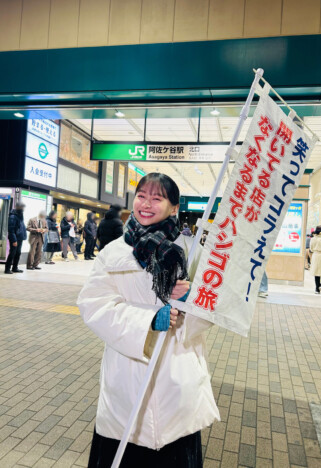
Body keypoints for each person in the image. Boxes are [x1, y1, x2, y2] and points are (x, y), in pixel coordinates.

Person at [78, 173, 219, 468]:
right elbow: (94, 306)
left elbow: (212, 312)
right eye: (142, 196)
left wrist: (191, 298)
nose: (146, 204)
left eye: (157, 198)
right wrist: (148, 319)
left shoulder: (192, 253)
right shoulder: (113, 253)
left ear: (174, 207)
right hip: (128, 377)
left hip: (177, 378)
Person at [4, 202, 27, 274]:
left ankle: (15, 268)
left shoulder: (20, 215)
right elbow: (11, 229)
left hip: (19, 238)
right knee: (12, 253)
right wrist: (14, 240)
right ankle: (7, 269)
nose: (23, 209)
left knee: (18, 253)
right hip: (15, 238)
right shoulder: (13, 216)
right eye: (22, 207)